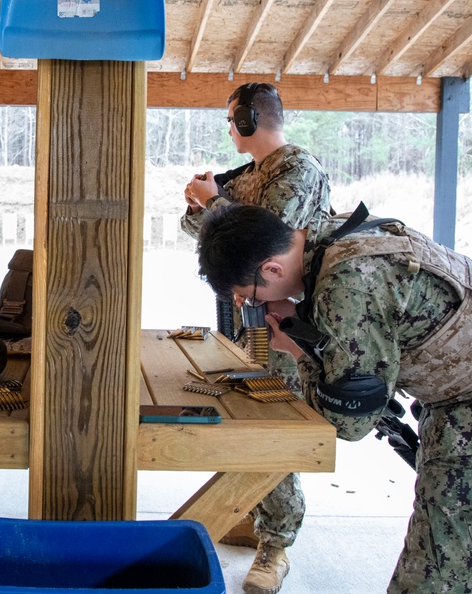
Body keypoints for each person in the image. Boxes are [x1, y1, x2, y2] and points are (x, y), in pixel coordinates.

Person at [197, 203, 472, 593]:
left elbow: (348, 423)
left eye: (249, 297)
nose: (251, 306)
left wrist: (296, 348)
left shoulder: (348, 283)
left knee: (441, 576)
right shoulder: (328, 236)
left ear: (272, 269)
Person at [179, 82, 330, 594]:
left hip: (278, 322)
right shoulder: (253, 175)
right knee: (244, 414)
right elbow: (206, 234)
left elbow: (273, 238)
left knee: (272, 421)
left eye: (231, 119)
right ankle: (257, 515)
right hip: (245, 318)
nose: (228, 129)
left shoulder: (298, 170)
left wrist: (214, 202)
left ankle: (277, 545)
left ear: (249, 119)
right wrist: (203, 204)